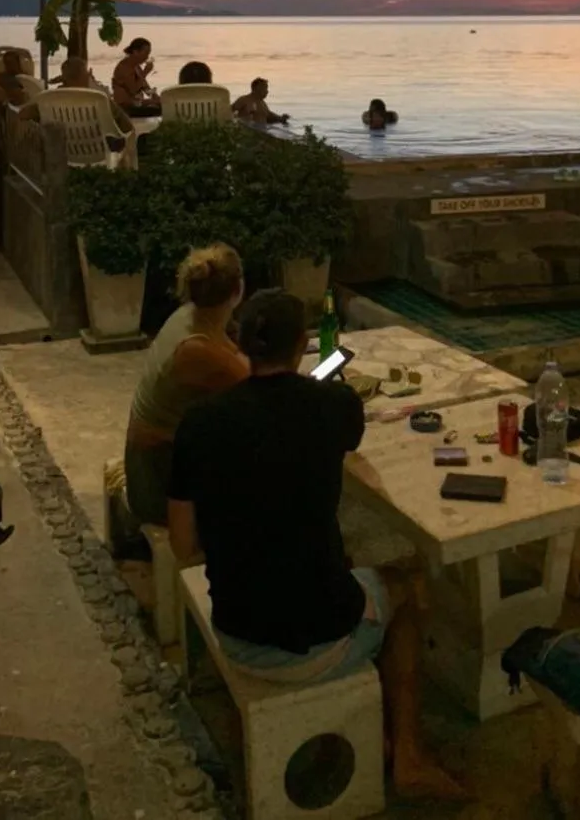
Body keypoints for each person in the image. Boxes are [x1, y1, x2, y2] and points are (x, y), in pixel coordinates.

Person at [168, 289, 466, 801]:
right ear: (303, 343)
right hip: (314, 642)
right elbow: (337, 432)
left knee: (332, 557)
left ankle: (377, 728)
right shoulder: (332, 406)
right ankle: (409, 754)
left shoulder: (198, 424)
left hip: (237, 630)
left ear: (240, 344)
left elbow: (183, 546)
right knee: (405, 584)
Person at [124, 245, 248, 527]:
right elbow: (258, 383)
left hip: (156, 459)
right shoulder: (197, 350)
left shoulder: (189, 316)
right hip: (157, 481)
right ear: (238, 290)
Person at [113, 38, 160, 117]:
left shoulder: (136, 66)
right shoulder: (124, 67)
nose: (147, 57)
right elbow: (133, 90)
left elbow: (144, 86)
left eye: (148, 54)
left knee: (164, 105)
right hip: (126, 108)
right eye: (145, 53)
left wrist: (156, 97)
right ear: (135, 52)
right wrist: (145, 72)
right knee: (159, 110)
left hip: (136, 104)